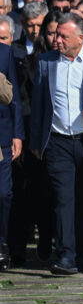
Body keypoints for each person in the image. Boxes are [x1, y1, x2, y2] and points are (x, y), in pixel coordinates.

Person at [28, 15, 83, 274]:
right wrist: (37, 140)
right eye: (56, 35)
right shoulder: (46, 62)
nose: (56, 40)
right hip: (57, 141)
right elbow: (39, 103)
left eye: (63, 36)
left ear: (80, 39)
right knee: (63, 199)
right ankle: (66, 256)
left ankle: (81, 252)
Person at [0, 35, 24, 270]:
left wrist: (18, 134)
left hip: (3, 134)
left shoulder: (4, 52)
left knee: (3, 193)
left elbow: (14, 97)